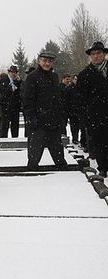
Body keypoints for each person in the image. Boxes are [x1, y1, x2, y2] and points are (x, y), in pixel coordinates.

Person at [22, 50, 67, 171]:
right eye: (45, 61)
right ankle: (32, 175)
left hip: (53, 122)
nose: (47, 63)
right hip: (38, 123)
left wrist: (60, 118)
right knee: (34, 157)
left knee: (59, 156)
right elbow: (27, 101)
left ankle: (63, 173)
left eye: (50, 61)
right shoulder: (32, 77)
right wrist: (31, 119)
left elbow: (57, 99)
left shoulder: (54, 76)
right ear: (39, 61)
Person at [76, 41, 108, 177]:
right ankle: (103, 168)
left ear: (104, 54)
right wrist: (84, 117)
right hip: (95, 115)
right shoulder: (85, 74)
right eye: (93, 54)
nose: (96, 56)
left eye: (98, 53)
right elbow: (80, 99)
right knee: (99, 143)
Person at [0, 65, 21, 137]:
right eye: (12, 72)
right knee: (5, 124)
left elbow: (20, 92)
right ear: (9, 72)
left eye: (15, 72)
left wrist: (18, 82)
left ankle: (15, 137)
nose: (13, 74)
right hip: (6, 105)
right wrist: (11, 87)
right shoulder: (5, 79)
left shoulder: (17, 81)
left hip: (15, 106)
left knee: (15, 124)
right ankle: (3, 138)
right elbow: (1, 90)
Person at [20, 66, 36, 137]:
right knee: (28, 125)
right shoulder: (25, 83)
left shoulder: (38, 83)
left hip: (35, 108)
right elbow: (23, 96)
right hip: (28, 108)